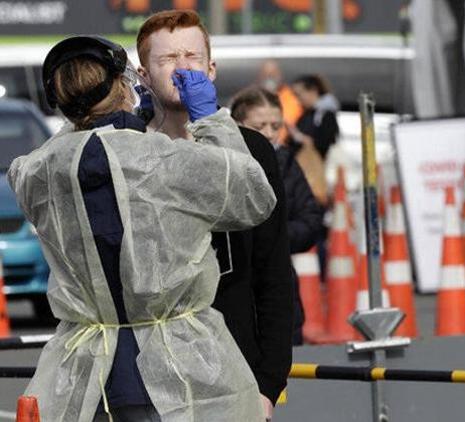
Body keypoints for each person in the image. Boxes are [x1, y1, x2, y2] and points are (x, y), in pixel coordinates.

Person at [11, 35, 275, 421]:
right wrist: (211, 119)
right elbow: (253, 196)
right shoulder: (164, 158)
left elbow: (72, 150)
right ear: (125, 86)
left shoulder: (35, 173)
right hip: (181, 374)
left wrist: (93, 118)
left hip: (86, 379)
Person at [136, 10, 293, 420]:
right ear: (143, 75)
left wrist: (268, 385)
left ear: (212, 69)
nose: (182, 68)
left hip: (234, 366)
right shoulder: (126, 150)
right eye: (168, 59)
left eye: (192, 56)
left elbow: (273, 273)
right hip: (148, 375)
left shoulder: (252, 150)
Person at [231, 86, 325, 345]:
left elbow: (310, 220)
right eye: (260, 126)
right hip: (233, 291)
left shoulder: (285, 162)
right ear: (236, 125)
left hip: (279, 287)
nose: (269, 134)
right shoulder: (223, 164)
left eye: (276, 126)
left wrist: (272, 239)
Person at [289, 74, 340, 159]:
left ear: (313, 91)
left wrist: (298, 136)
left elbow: (325, 142)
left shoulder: (326, 115)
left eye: (299, 94)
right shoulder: (307, 114)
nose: (297, 100)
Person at [257, 59, 303, 143]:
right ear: (260, 76)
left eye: (273, 73)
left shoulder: (291, 97)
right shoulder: (253, 96)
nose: (269, 77)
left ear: (280, 75)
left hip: (284, 147)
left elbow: (289, 120)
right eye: (266, 74)